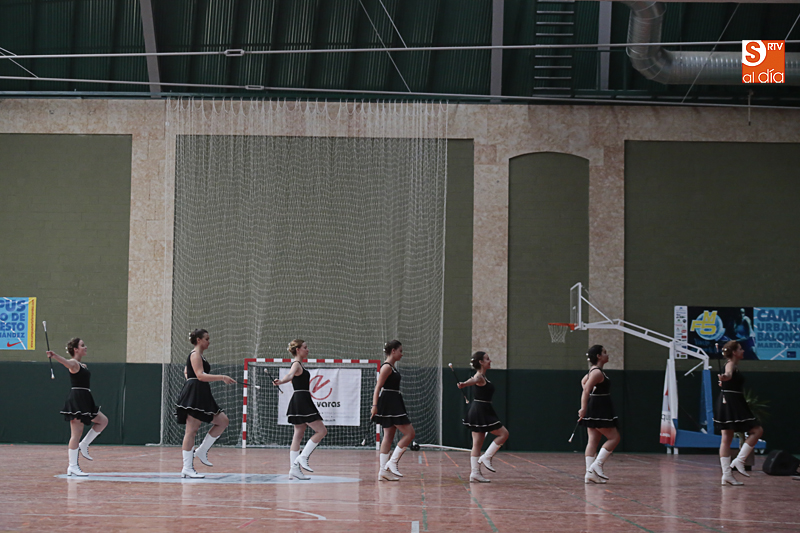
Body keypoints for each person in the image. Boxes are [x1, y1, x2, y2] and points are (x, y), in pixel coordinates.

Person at [175, 329, 235, 479]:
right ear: (199, 340)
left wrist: (193, 380)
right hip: (195, 394)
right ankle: (187, 468)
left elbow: (187, 371)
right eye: (206, 339)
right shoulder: (195, 354)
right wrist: (222, 377)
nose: (209, 342)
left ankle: (201, 451)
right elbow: (200, 376)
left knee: (223, 421)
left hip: (201, 392)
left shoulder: (199, 356)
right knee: (191, 431)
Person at [47, 338, 109, 477]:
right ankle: (72, 466)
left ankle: (84, 444)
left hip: (85, 398)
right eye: (82, 345)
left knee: (103, 421)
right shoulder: (74, 363)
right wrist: (55, 355)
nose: (85, 347)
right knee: (76, 434)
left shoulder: (81, 365)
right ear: (75, 349)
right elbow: (66, 363)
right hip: (77, 399)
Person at [270, 339, 328, 480]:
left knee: (298, 434)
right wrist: (281, 381)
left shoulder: (299, 364)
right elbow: (289, 375)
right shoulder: (296, 364)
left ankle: (293, 470)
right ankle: (303, 457)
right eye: (305, 347)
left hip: (300, 399)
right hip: (302, 400)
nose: (307, 350)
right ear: (298, 350)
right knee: (321, 431)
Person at [714, 340, 764, 486]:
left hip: (728, 399)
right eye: (740, 349)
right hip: (732, 401)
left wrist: (724, 381)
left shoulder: (732, 365)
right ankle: (739, 461)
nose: (743, 351)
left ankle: (726, 475)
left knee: (726, 438)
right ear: (734, 352)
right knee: (757, 430)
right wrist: (725, 378)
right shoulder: (730, 364)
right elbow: (728, 374)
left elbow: (729, 378)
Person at [457, 351, 509, 483]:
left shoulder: (483, 376)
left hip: (480, 409)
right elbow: (473, 380)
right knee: (503, 434)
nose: (490, 361)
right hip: (481, 410)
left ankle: (475, 473)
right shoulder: (479, 376)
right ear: (481, 362)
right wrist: (464, 384)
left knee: (477, 443)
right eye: (487, 359)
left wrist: (465, 383)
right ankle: (486, 457)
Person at [371, 340, 415, 481]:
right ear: (393, 351)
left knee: (388, 436)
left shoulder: (392, 367)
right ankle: (392, 462)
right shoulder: (386, 367)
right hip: (390, 402)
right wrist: (374, 405)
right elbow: (378, 387)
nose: (402, 354)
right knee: (410, 433)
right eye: (400, 351)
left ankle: (382, 471)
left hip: (394, 400)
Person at [578, 345, 621, 484]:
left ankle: (589, 474)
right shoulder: (597, 372)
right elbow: (586, 389)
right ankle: (596, 465)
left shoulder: (594, 371)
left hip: (596, 406)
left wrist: (591, 395)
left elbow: (583, 382)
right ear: (598, 356)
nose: (607, 355)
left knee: (593, 440)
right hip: (600, 407)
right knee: (614, 438)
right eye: (604, 352)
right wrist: (583, 408)